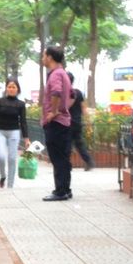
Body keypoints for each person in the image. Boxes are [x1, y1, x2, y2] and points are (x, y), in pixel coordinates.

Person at [41, 46, 73, 202]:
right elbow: (72, 95)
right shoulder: (64, 73)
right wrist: (64, 108)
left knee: (57, 158)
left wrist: (54, 112)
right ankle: (66, 189)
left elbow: (56, 92)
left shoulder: (55, 75)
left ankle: (60, 191)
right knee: (63, 157)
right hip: (64, 122)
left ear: (50, 57)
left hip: (56, 123)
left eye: (44, 56)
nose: (42, 59)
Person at [0, 79, 30, 188]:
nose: (11, 89)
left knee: (12, 158)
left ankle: (10, 185)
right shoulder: (0, 101)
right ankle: (3, 175)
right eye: (9, 87)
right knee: (0, 156)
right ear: (6, 89)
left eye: (14, 87)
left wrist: (27, 139)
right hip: (0, 132)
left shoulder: (21, 104)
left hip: (14, 132)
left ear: (17, 89)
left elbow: (23, 122)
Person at [67, 72, 94, 171]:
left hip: (67, 122)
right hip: (77, 122)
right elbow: (83, 107)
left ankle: (67, 165)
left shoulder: (65, 93)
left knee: (67, 144)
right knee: (79, 144)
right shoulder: (78, 92)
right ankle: (88, 161)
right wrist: (87, 120)